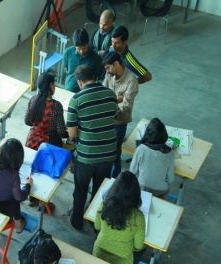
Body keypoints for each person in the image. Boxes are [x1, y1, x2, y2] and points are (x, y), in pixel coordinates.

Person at [67, 65, 117, 231]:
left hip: (86, 156)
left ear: (80, 81)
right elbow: (112, 118)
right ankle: (94, 221)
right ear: (95, 77)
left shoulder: (76, 99)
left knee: (80, 190)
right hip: (109, 153)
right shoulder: (111, 94)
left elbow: (72, 134)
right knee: (99, 190)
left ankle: (77, 221)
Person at [93, 171, 145, 264]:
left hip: (99, 252)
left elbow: (97, 227)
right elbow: (138, 246)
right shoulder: (138, 217)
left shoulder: (104, 205)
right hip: (122, 259)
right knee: (142, 251)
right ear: (135, 194)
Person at [102, 51, 139, 178]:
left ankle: (113, 179)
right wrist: (117, 99)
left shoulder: (131, 81)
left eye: (108, 67)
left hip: (119, 122)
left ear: (116, 64)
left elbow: (126, 105)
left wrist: (110, 104)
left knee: (115, 152)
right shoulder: (109, 74)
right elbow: (103, 90)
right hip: (106, 118)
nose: (106, 71)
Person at [129, 118, 175, 197]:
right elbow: (171, 179)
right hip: (161, 191)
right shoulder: (170, 153)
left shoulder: (141, 148)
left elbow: (132, 171)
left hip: (142, 188)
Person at [24, 72, 67, 150]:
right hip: (49, 144)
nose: (55, 87)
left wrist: (38, 127)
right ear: (50, 85)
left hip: (32, 142)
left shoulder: (33, 100)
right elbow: (61, 132)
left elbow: (27, 121)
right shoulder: (57, 106)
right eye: (54, 84)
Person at [63, 28, 104, 93]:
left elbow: (100, 77)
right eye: (78, 49)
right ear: (74, 45)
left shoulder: (96, 57)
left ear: (88, 44)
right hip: (68, 91)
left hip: (86, 93)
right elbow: (66, 69)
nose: (81, 51)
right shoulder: (68, 52)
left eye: (84, 48)